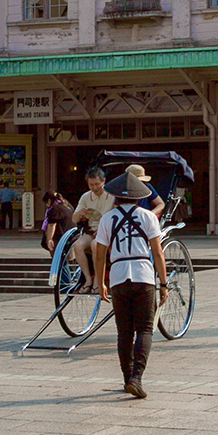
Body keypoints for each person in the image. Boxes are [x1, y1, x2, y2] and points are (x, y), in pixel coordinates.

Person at [95, 171, 168, 398]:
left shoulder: (107, 218)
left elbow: (99, 255)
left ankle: (127, 378)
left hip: (118, 277)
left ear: (116, 197)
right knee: (145, 328)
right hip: (143, 276)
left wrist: (100, 284)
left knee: (124, 332)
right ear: (138, 197)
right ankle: (137, 377)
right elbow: (157, 252)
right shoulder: (147, 216)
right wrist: (164, 283)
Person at [72, 168, 115, 290]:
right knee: (78, 245)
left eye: (97, 184)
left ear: (104, 182)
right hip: (91, 230)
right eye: (91, 185)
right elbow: (74, 219)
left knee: (95, 245)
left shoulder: (112, 195)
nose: (94, 187)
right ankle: (87, 279)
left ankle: (97, 280)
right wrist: (80, 213)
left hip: (107, 231)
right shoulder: (86, 197)